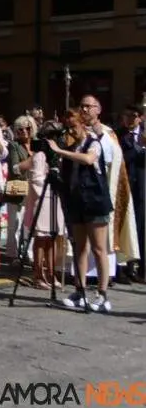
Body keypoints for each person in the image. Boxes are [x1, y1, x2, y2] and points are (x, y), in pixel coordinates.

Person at [48, 109, 112, 311]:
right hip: (77, 203)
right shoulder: (72, 147)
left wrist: (59, 151)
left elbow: (88, 159)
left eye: (74, 126)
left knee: (99, 248)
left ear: (83, 124)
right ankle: (80, 290)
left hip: (95, 202)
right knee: (79, 248)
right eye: (68, 127)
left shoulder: (94, 143)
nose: (72, 131)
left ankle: (102, 295)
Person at [79, 95, 140, 279]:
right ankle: (81, 279)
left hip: (99, 191)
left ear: (98, 109)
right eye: (82, 106)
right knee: (81, 242)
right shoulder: (75, 130)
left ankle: (103, 281)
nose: (84, 110)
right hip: (80, 191)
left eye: (89, 106)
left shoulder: (107, 133)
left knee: (101, 242)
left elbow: (114, 158)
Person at [21, 120, 66, 290]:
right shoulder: (40, 155)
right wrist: (52, 182)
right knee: (41, 238)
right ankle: (38, 274)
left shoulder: (58, 154)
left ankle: (51, 272)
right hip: (43, 199)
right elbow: (36, 178)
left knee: (53, 237)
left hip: (55, 198)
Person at [118, 105, 145, 282]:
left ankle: (142, 268)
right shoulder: (119, 135)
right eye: (126, 115)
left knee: (142, 228)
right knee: (126, 226)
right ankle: (125, 268)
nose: (129, 119)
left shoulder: (143, 134)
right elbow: (122, 158)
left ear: (140, 118)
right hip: (125, 186)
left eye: (133, 116)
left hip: (142, 187)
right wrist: (138, 148)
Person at [4, 115, 36, 261]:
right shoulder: (13, 145)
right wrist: (32, 160)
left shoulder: (37, 144)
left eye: (27, 128)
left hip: (34, 190)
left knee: (30, 225)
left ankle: (29, 254)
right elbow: (14, 168)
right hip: (18, 190)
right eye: (20, 129)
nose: (24, 131)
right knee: (14, 224)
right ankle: (13, 254)